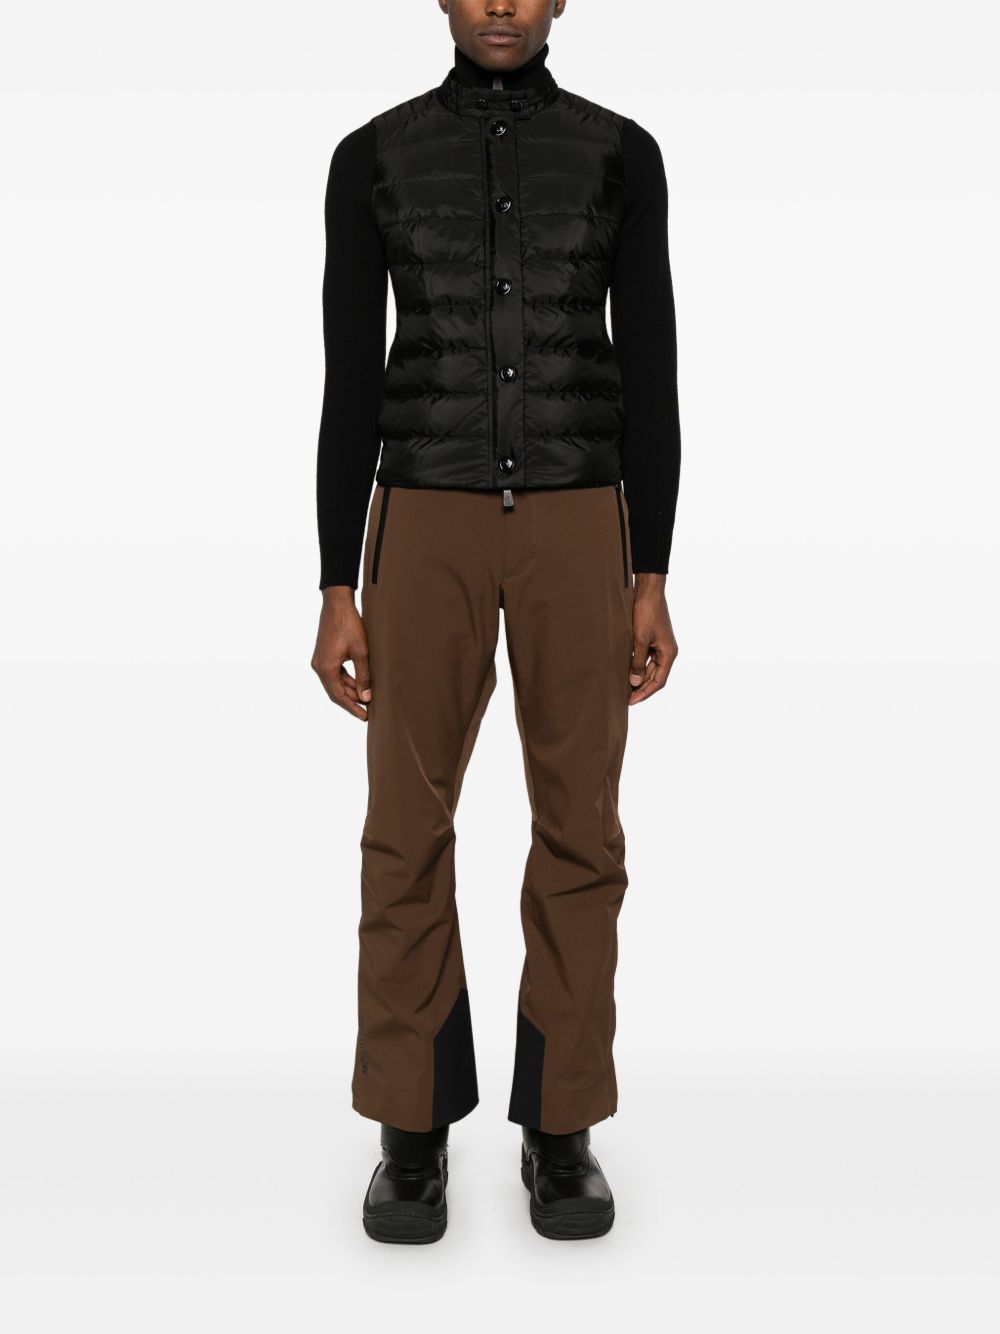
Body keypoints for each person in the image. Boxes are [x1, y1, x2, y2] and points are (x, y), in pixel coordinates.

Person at [311, 0, 681, 1244]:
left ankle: (561, 1127)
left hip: (579, 514)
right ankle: (409, 1129)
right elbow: (350, 375)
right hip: (424, 512)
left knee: (581, 826)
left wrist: (650, 569)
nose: (502, 4)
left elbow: (652, 366)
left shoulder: (621, 153)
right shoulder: (372, 156)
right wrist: (336, 581)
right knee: (404, 827)